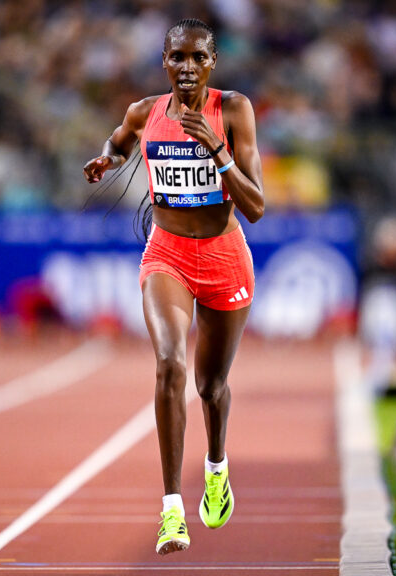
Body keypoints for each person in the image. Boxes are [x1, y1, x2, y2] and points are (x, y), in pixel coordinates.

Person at [83, 18, 264, 555]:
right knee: (169, 364)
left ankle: (216, 467)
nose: (187, 67)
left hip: (225, 257)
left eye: (197, 57)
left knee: (210, 386)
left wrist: (217, 150)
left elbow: (256, 206)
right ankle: (171, 510)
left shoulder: (234, 111)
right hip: (167, 253)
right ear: (164, 61)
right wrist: (107, 159)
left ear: (213, 63)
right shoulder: (145, 112)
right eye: (176, 57)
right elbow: (120, 139)